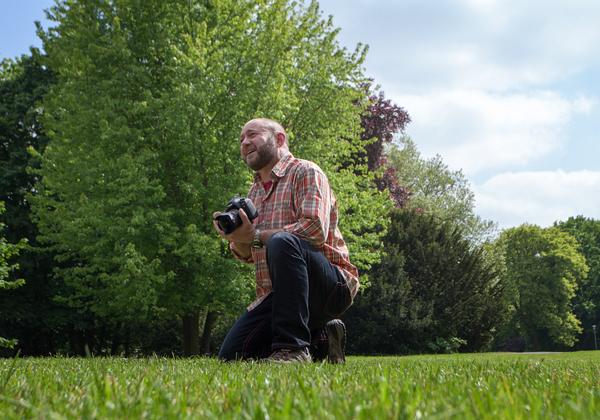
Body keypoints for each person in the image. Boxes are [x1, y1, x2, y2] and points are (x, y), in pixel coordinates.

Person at [213, 118, 359, 363]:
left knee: (283, 240)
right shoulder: (254, 193)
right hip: (281, 295)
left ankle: (294, 350)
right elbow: (248, 254)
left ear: (279, 138)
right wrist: (237, 239)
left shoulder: (306, 171)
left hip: (331, 286)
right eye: (241, 140)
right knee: (232, 356)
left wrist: (256, 236)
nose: (244, 143)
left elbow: (314, 229)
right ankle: (323, 338)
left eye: (252, 135)